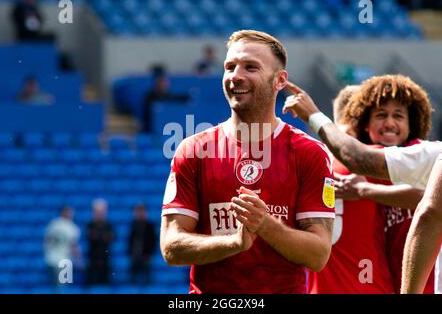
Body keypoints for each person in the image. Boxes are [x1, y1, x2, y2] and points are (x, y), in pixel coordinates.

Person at [160, 30, 335, 294]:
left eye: (250, 67)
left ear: (279, 80)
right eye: (230, 67)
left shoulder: (309, 153)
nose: (235, 76)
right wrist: (234, 243)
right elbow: (171, 247)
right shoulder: (194, 150)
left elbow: (318, 255)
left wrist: (265, 225)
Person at [281, 78, 442, 294]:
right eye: (381, 115)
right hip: (377, 284)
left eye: (399, 116)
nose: (389, 123)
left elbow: (431, 199)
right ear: (362, 125)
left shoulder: (416, 153)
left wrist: (365, 191)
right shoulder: (367, 166)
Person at [308, 84, 395, 294]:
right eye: (379, 116)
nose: (386, 124)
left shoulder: (309, 159)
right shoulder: (372, 160)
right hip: (367, 286)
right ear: (362, 119)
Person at [44, 206, 81, 289]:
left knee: (55, 286)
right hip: (65, 261)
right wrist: (78, 260)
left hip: (51, 259)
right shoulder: (72, 227)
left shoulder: (53, 224)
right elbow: (74, 247)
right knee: (62, 287)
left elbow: (47, 241)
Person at [86, 198, 115, 286]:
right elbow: (91, 237)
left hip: (105, 259)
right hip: (93, 259)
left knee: (105, 284)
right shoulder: (90, 225)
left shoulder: (108, 225)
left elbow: (111, 238)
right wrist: (102, 237)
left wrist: (99, 237)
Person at [128, 204, 156, 285]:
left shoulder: (150, 226)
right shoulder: (133, 225)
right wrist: (131, 253)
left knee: (147, 278)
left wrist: (149, 253)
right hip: (135, 256)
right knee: (133, 278)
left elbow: (153, 240)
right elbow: (130, 240)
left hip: (146, 256)